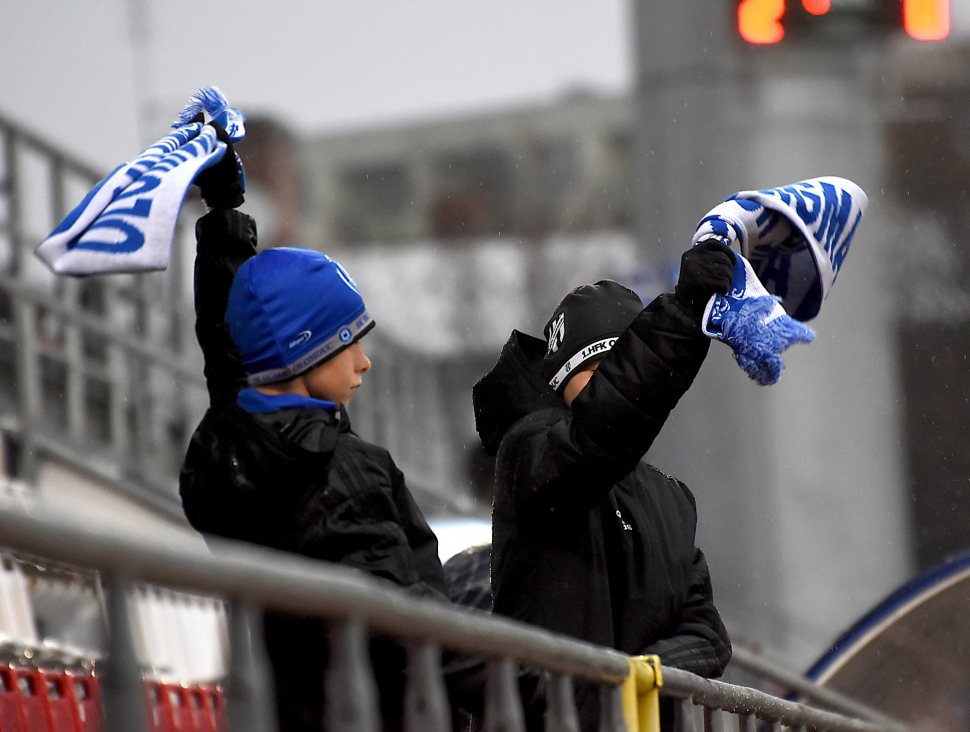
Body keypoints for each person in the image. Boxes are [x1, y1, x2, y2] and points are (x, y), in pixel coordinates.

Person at [178, 123, 448, 732]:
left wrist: (224, 216)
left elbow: (234, 346)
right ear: (304, 355)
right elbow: (416, 635)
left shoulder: (234, 446)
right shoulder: (343, 472)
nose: (364, 360)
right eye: (347, 342)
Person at [472, 246, 735, 729]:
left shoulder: (672, 499)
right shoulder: (528, 455)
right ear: (560, 379)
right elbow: (594, 438)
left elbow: (710, 634)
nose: (610, 389)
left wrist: (641, 674)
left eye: (622, 369)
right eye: (599, 372)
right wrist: (681, 315)